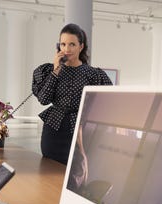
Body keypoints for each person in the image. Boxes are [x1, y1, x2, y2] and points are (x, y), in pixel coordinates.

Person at [32, 23, 113, 164]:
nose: (66, 49)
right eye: (63, 44)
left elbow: (107, 104)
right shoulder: (48, 71)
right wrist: (56, 70)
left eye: (72, 44)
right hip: (53, 130)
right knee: (49, 171)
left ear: (81, 47)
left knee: (75, 173)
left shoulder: (94, 74)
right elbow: (44, 99)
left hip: (80, 133)